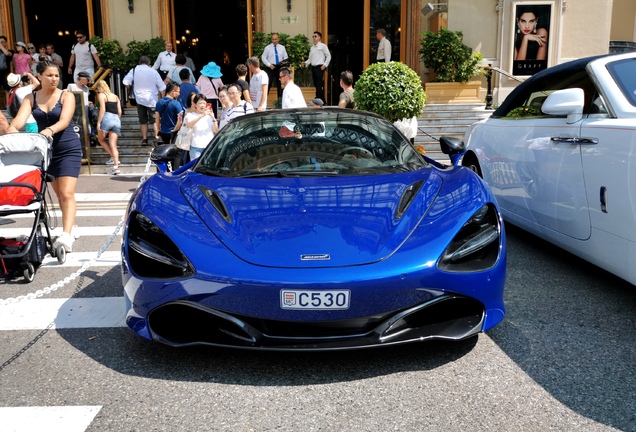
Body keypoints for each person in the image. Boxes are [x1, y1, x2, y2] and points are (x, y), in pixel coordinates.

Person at [7, 60, 82, 252]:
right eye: (50, 75)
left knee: (66, 192)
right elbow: (18, 121)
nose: (54, 79)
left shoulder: (66, 96)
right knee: (57, 193)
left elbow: (64, 121)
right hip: (45, 150)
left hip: (68, 147)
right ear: (39, 76)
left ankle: (66, 236)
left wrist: (49, 129)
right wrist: (11, 131)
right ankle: (70, 225)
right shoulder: (30, 98)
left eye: (57, 75)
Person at [122, 55, 166, 145]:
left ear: (139, 62)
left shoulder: (134, 70)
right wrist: (162, 98)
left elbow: (126, 82)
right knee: (155, 120)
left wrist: (130, 89)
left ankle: (144, 139)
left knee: (143, 121)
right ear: (149, 63)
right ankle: (157, 138)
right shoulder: (153, 71)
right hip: (152, 100)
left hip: (139, 99)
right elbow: (162, 87)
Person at [95, 80, 122, 175]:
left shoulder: (101, 95)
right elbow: (119, 111)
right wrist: (117, 119)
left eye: (97, 89)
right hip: (116, 119)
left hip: (107, 117)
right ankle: (116, 166)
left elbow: (102, 109)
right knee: (113, 144)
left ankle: (112, 156)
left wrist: (99, 122)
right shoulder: (115, 96)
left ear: (99, 87)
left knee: (101, 140)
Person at [184, 93, 218, 160]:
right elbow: (189, 125)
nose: (202, 105)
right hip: (196, 146)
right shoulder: (190, 115)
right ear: (195, 104)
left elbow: (216, 131)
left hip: (209, 146)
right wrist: (201, 115)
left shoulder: (209, 116)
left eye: (204, 103)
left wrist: (213, 118)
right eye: (200, 103)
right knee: (194, 166)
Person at [302, 31, 331, 102]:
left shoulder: (323, 46)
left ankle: (317, 99)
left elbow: (328, 56)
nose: (314, 38)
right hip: (313, 67)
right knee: (316, 84)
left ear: (319, 38)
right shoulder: (312, 48)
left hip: (319, 67)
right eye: (313, 36)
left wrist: (325, 65)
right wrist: (305, 63)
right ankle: (323, 100)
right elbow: (310, 59)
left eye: (315, 36)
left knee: (318, 84)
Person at [261, 33, 288, 101]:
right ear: (271, 39)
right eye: (273, 39)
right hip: (271, 68)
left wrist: (283, 62)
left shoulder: (282, 47)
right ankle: (264, 101)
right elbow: (263, 57)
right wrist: (269, 65)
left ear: (278, 39)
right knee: (268, 83)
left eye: (276, 39)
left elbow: (286, 57)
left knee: (280, 84)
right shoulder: (267, 48)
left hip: (280, 67)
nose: (274, 41)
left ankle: (280, 101)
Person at [0, 36, 13, 103]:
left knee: (7, 89)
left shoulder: (10, 51)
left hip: (6, 73)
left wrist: (1, 46)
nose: (1, 43)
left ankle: (8, 105)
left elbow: (7, 54)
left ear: (6, 43)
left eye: (3, 42)